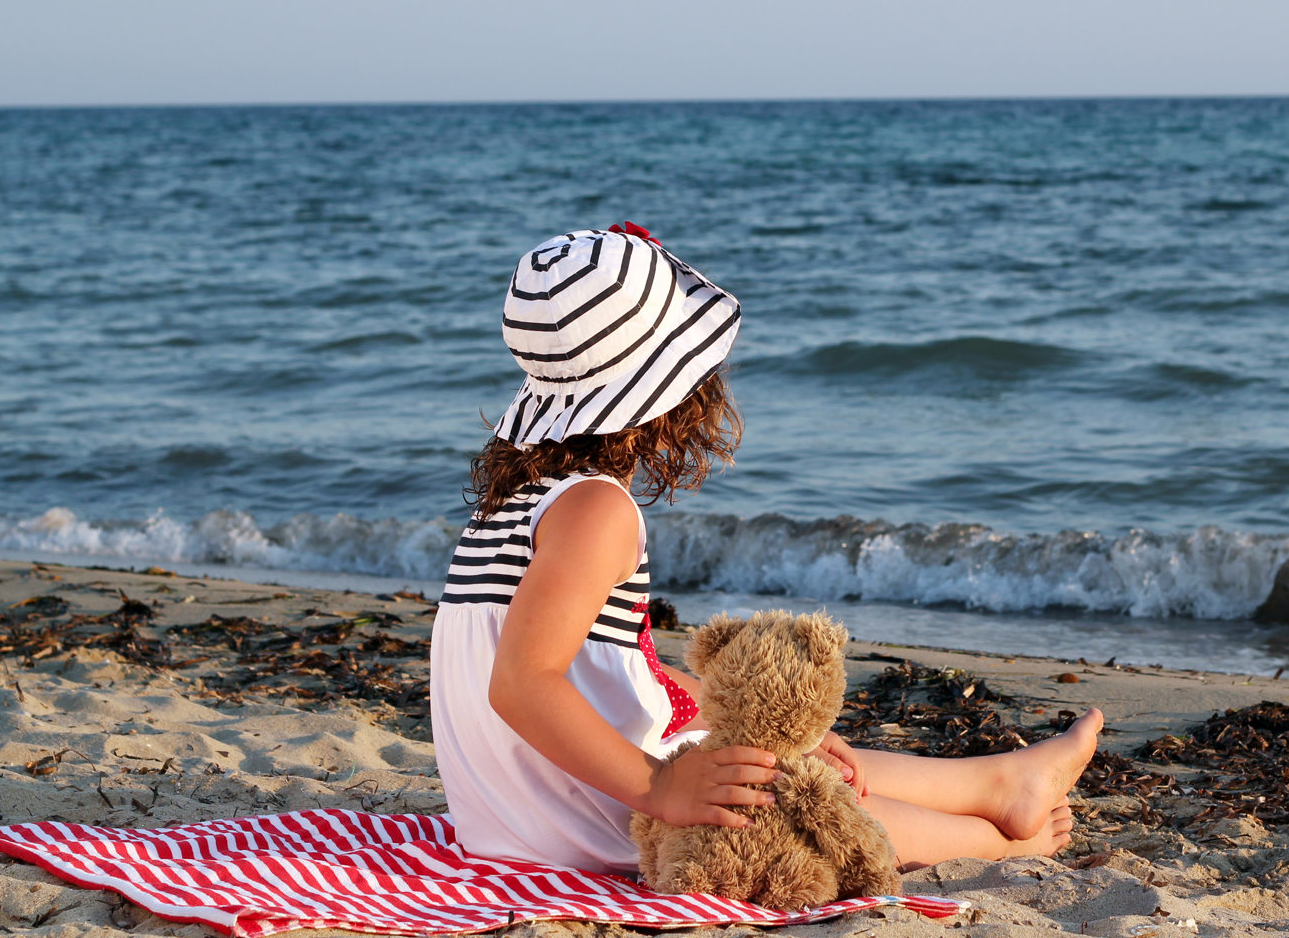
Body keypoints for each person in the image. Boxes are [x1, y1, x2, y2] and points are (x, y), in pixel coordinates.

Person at [431, 225, 1103, 876]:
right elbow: (522, 682)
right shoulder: (595, 510)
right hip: (593, 822)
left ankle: (999, 782)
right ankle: (1001, 847)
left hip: (510, 822)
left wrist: (750, 724)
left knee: (795, 756)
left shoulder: (520, 504)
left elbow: (603, 674)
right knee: (808, 803)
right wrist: (661, 786)